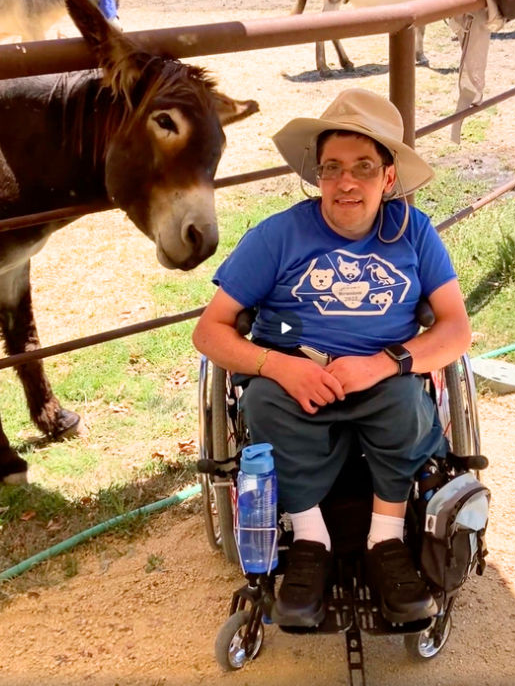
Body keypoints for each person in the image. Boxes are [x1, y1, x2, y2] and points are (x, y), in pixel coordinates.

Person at [192, 88, 471, 628]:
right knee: (264, 406)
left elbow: (457, 327)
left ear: (388, 178)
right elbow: (210, 331)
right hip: (294, 376)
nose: (347, 182)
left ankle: (385, 541)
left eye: (364, 167)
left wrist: (384, 362)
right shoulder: (278, 235)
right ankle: (311, 542)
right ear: (317, 176)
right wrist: (280, 367)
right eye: (332, 168)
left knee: (409, 406)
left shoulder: (414, 233)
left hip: (383, 369)